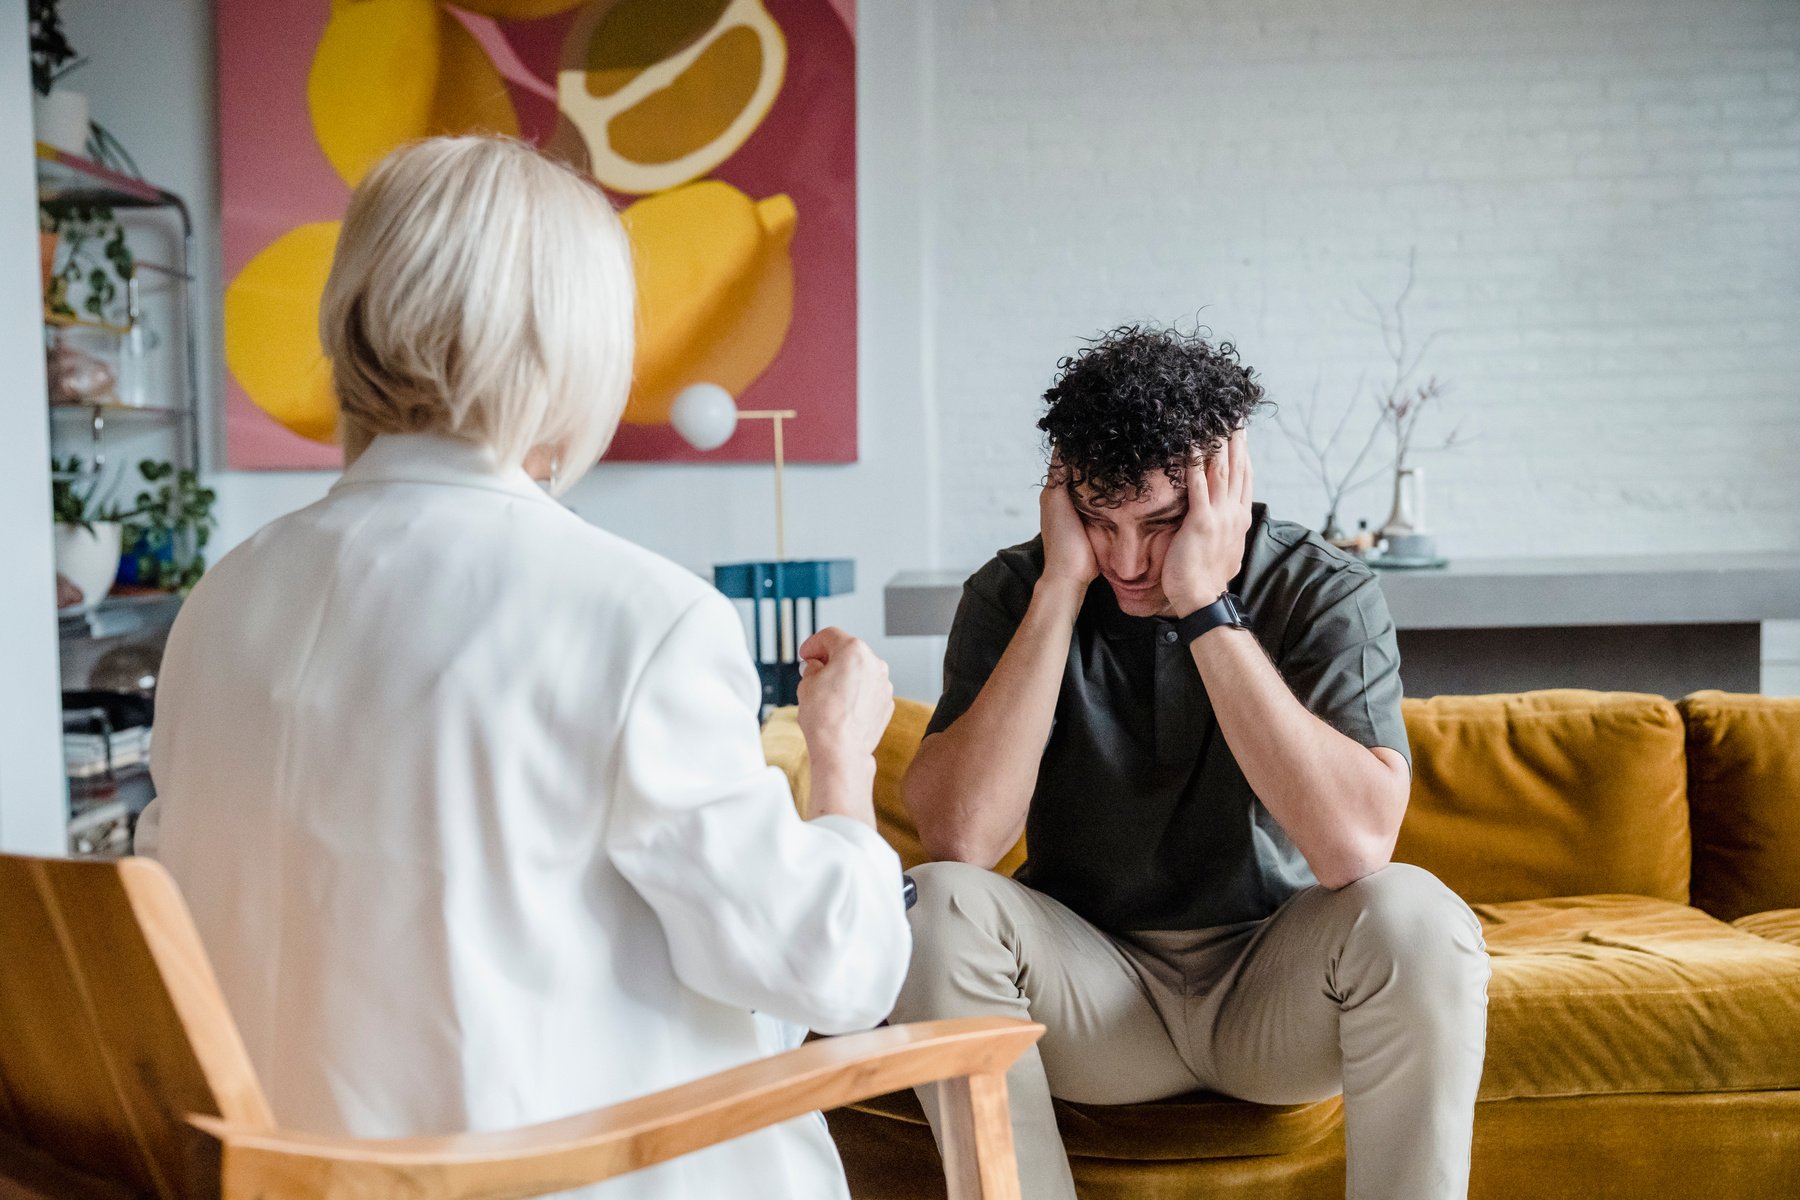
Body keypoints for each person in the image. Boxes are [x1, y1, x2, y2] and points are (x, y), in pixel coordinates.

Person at [136, 136, 910, 1199]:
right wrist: (842, 759)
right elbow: (836, 972)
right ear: (574, 347)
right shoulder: (643, 616)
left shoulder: (222, 603)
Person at [890, 325, 1490, 1200]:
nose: (1129, 561)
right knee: (931, 906)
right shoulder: (1018, 592)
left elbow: (1357, 848)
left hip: (1274, 997)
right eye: (1100, 522)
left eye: (1162, 524)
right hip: (1092, 999)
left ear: (1227, 481)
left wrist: (1206, 606)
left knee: (1417, 916)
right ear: (1062, 493)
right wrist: (1061, 586)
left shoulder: (1322, 589)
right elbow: (962, 839)